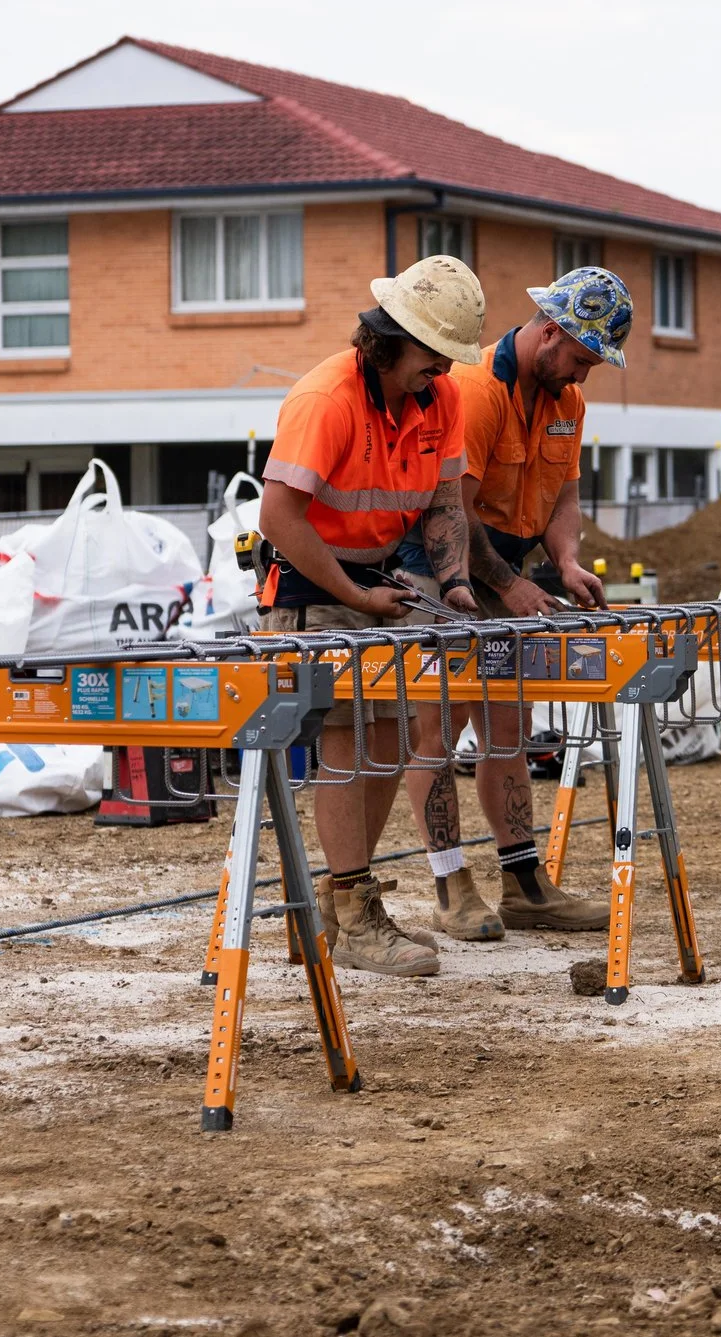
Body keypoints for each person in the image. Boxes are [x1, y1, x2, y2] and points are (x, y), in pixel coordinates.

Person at [254, 254, 487, 978]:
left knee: (389, 734)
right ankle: (353, 909)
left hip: (380, 580)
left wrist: (452, 583)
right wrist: (353, 599)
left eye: (451, 359)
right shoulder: (328, 399)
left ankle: (343, 900)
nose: (444, 372)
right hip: (309, 585)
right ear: (391, 338)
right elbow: (280, 515)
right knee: (348, 743)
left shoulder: (437, 399)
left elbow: (446, 501)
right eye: (434, 355)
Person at [406, 266, 633, 939]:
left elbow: (564, 494)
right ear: (550, 332)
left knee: (508, 728)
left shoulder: (567, 401)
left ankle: (525, 881)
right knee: (433, 736)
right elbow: (453, 510)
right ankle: (451, 884)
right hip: (436, 569)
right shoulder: (476, 389)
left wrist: (564, 561)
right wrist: (508, 585)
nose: (584, 375)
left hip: (511, 566)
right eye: (582, 358)